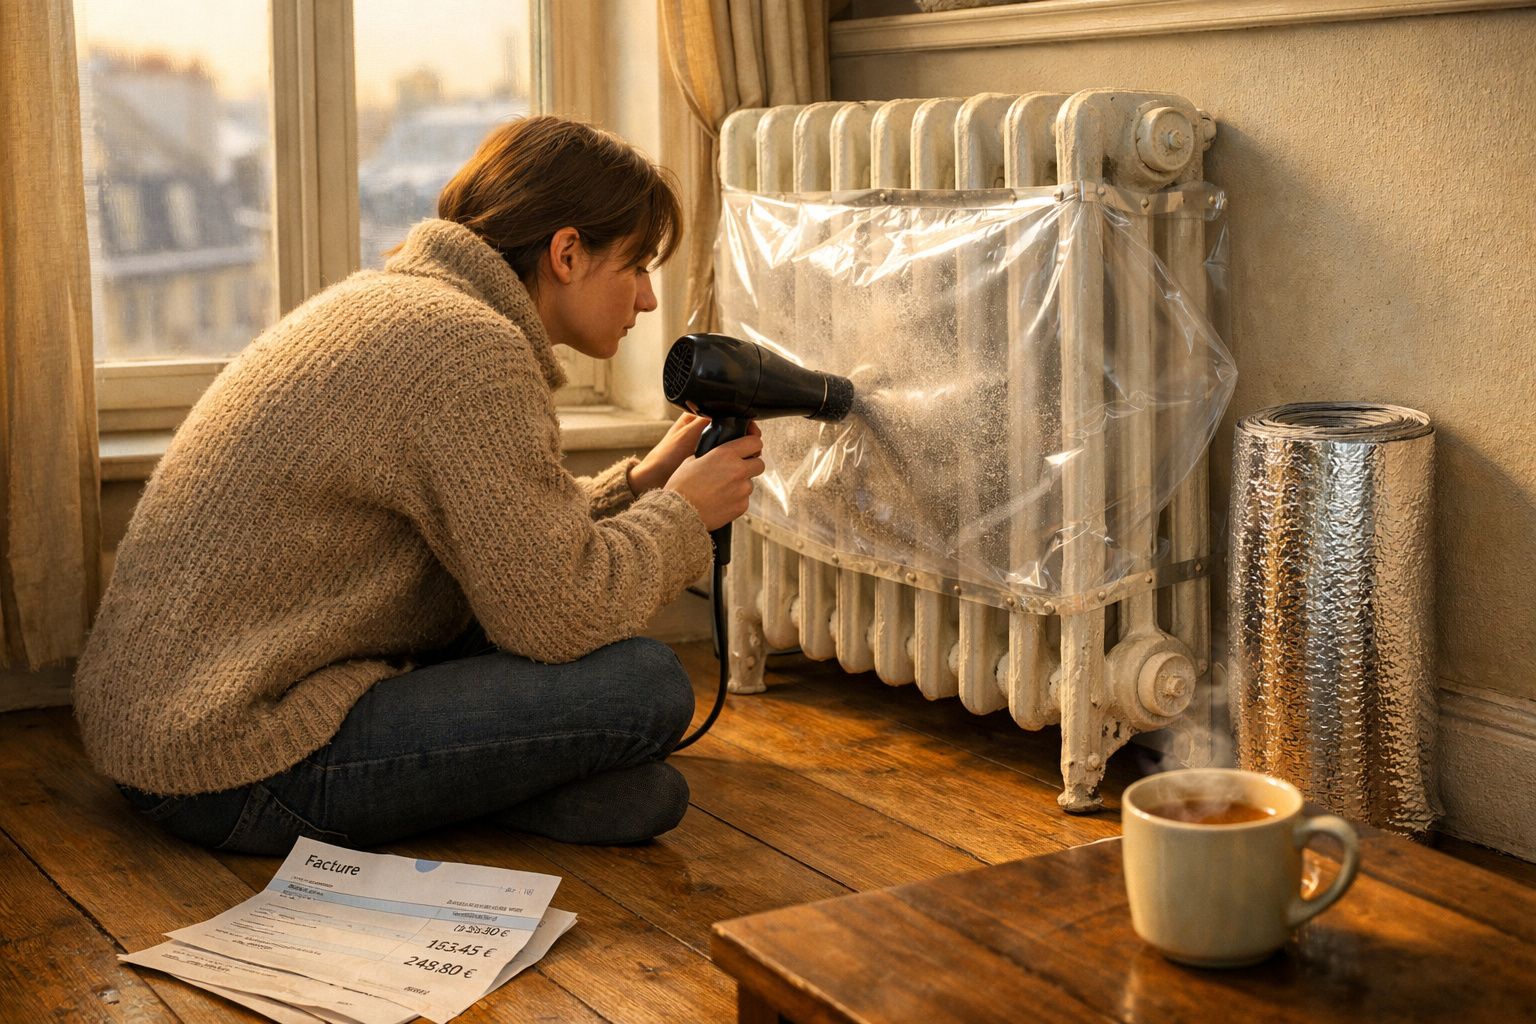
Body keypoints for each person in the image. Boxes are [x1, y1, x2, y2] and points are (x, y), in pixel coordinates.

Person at [72, 115, 765, 855]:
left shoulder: (411, 309)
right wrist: (682, 516)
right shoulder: (469, 349)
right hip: (230, 758)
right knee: (645, 687)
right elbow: (558, 613)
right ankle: (476, 779)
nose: (649, 300)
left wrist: (643, 484)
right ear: (567, 253)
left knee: (644, 797)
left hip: (167, 730)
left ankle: (468, 783)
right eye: (636, 266)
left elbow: (506, 551)